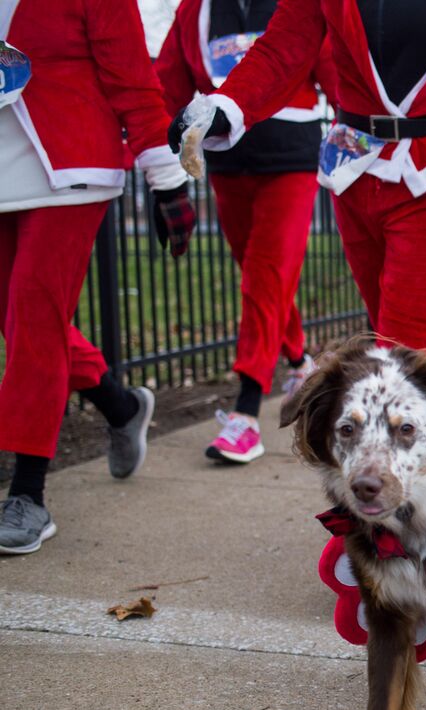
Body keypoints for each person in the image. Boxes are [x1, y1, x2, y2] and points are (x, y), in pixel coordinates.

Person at [168, 0, 426, 368]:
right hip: (353, 170)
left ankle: (407, 419)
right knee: (404, 342)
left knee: (401, 344)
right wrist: (227, 106)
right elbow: (282, 47)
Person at [0, 2, 194, 556]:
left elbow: (133, 78)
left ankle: (28, 493)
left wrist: (167, 179)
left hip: (71, 164)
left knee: (35, 316)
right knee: (19, 320)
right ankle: (120, 406)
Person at [156, 0, 339, 463]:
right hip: (227, 162)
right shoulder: (193, 11)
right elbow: (167, 86)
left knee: (266, 274)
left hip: (291, 158)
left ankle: (246, 412)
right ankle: (299, 362)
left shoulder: (296, 7)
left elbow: (337, 74)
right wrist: (159, 170)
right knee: (262, 280)